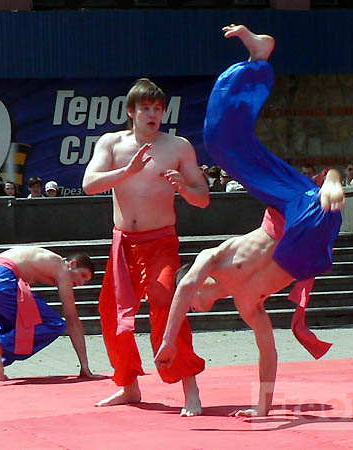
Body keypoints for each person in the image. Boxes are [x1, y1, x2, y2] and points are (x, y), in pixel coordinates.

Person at [155, 24, 345, 418]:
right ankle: (330, 185)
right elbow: (267, 351)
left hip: (287, 211)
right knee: (316, 215)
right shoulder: (247, 304)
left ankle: (258, 60)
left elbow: (185, 286)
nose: (192, 310)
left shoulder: (215, 258)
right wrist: (262, 408)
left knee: (223, 145)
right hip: (302, 239)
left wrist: (169, 340)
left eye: (189, 306)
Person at [82, 76, 209, 415]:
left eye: (157, 108)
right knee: (112, 312)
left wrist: (184, 188)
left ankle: (190, 388)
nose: (152, 114)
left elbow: (203, 198)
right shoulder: (111, 143)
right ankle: (128, 386)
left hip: (161, 242)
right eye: (145, 109)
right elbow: (89, 184)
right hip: (123, 243)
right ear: (131, 112)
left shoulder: (178, 147)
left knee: (167, 304)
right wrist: (128, 170)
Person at [0, 247, 97, 381]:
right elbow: (72, 320)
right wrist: (84, 366)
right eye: (83, 275)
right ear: (72, 264)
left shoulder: (47, 260)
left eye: (85, 282)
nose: (81, 283)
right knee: (54, 324)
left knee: (15, 324)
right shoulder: (63, 270)